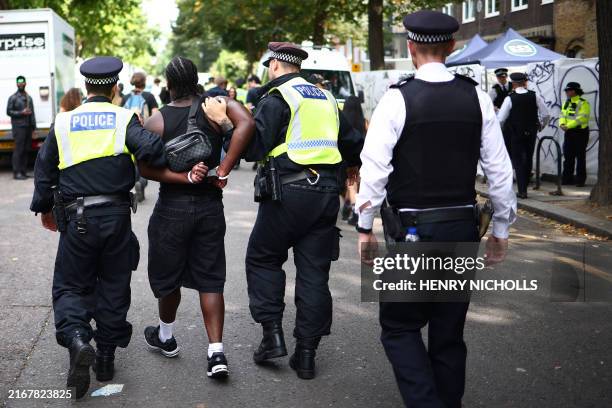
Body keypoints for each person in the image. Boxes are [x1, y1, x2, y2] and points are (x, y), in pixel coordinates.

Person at [355, 11, 516, 407]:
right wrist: (501, 230)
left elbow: (374, 170)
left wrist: (364, 226)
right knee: (448, 333)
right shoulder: (476, 97)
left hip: (412, 233)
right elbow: (500, 170)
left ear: (411, 48)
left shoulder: (396, 98)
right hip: (461, 228)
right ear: (453, 48)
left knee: (398, 326)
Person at [204, 42, 363, 380]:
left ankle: (272, 335)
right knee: (314, 273)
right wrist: (350, 167)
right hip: (325, 196)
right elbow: (352, 143)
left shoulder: (277, 98)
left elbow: (254, 148)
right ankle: (306, 355)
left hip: (288, 193)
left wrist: (225, 123)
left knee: (262, 258)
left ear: (274, 66)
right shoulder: (326, 98)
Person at [29, 56, 182, 399]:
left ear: (86, 87)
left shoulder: (64, 121)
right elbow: (154, 153)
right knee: (114, 284)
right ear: (115, 88)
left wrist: (43, 208)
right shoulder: (124, 117)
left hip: (76, 218)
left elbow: (44, 170)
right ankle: (106, 358)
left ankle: (78, 339)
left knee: (70, 286)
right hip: (115, 217)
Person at [140, 56, 254, 379]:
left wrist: (182, 178)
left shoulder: (157, 121)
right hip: (209, 207)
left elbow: (144, 168)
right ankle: (216, 352)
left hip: (171, 210)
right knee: (210, 277)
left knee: (168, 277)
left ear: (169, 84)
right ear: (196, 81)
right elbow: (247, 124)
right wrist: (224, 167)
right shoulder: (217, 105)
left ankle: (166, 336)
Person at [497, 72, 550, 198]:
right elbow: (546, 114)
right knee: (528, 158)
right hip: (531, 132)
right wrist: (541, 126)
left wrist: (499, 133)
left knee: (518, 160)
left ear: (514, 84)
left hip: (515, 133)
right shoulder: (534, 96)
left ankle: (522, 190)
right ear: (525, 82)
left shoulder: (510, 98)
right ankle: (524, 186)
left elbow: (500, 119)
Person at [122, 72, 160, 202]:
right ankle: (141, 183)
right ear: (144, 82)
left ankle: (135, 182)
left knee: (132, 162)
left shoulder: (125, 97)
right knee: (142, 162)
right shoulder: (149, 97)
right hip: (144, 133)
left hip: (128, 133)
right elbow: (155, 115)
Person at [340, 95, 367, 226]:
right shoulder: (365, 122)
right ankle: (347, 207)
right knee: (353, 184)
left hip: (347, 158)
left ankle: (355, 211)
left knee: (351, 184)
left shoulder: (343, 121)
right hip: (361, 157)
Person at [560, 82, 591, 187]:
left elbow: (582, 118)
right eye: (567, 90)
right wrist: (562, 124)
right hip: (569, 133)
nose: (567, 92)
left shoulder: (583, 103)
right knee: (568, 157)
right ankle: (566, 179)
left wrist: (568, 126)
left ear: (575, 91)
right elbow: (562, 115)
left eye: (569, 90)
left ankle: (580, 180)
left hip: (580, 133)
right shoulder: (566, 102)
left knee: (580, 157)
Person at [6, 75, 36, 180]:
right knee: (18, 150)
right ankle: (17, 172)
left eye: (22, 82)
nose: (21, 83)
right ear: (16, 84)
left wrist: (34, 128)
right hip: (18, 128)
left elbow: (32, 114)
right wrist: (21, 112)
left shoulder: (29, 97)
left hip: (28, 128)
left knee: (26, 150)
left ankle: (23, 171)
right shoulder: (13, 97)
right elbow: (8, 111)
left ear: (25, 83)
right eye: (19, 82)